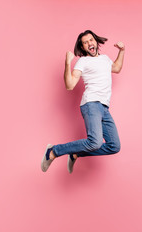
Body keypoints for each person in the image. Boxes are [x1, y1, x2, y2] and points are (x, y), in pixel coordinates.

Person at [41, 30, 125, 173]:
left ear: (96, 42)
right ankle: (53, 151)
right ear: (83, 47)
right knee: (95, 142)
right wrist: (67, 63)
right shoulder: (83, 61)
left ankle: (77, 153)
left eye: (91, 40)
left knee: (114, 146)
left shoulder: (105, 59)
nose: (89, 44)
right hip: (91, 104)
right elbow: (70, 85)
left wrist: (122, 51)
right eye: (85, 43)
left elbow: (116, 68)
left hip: (104, 107)